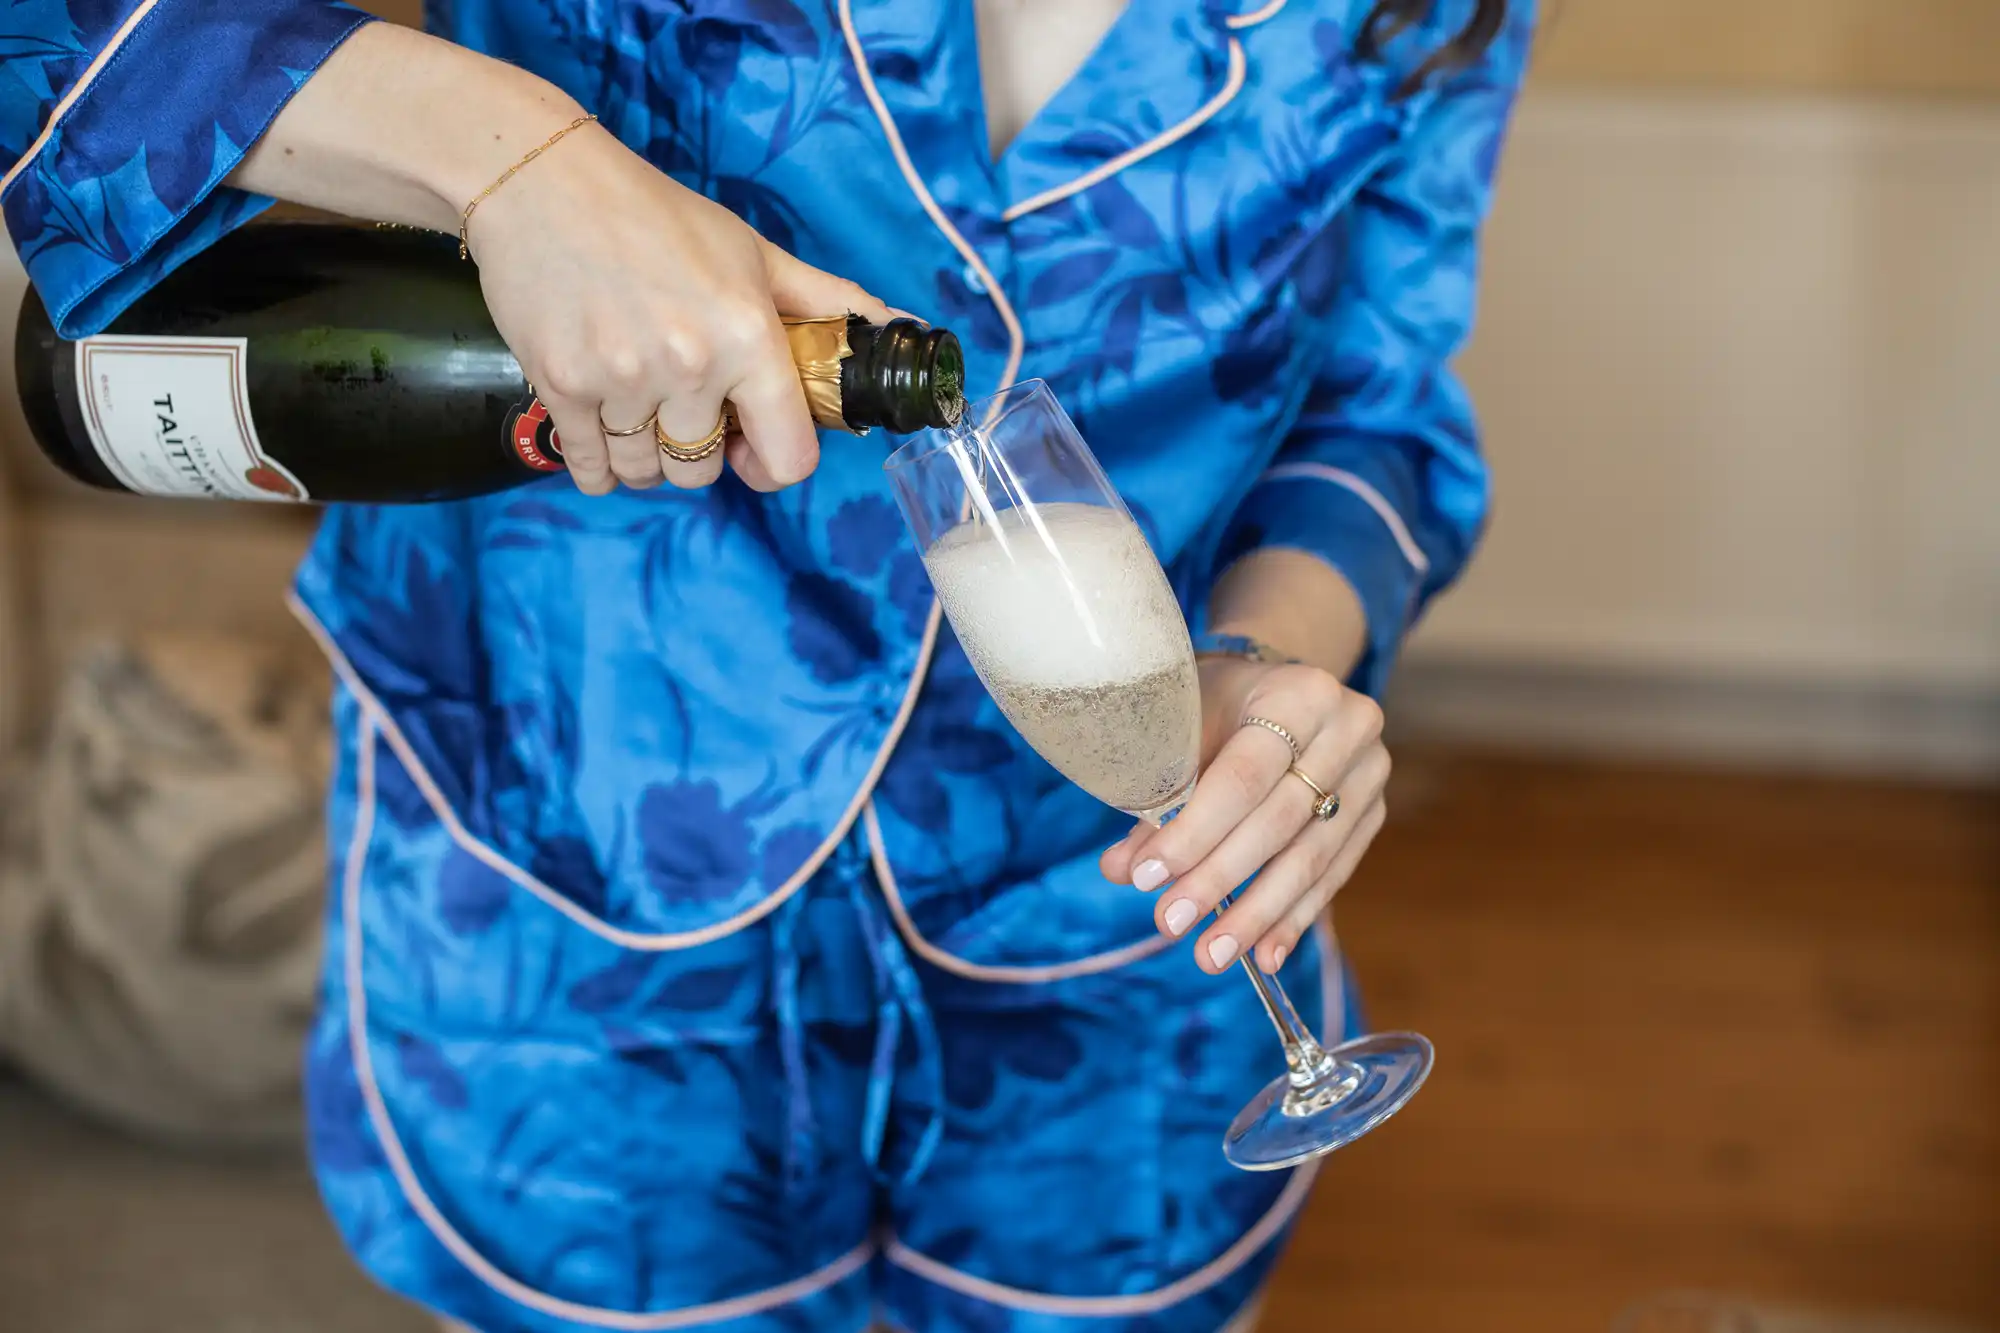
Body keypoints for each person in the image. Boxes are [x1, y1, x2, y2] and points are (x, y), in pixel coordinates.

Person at [0, 0, 1532, 1329]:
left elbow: (1374, 412)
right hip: (579, 840)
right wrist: (515, 160)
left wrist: (1276, 660)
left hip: (1120, 888)